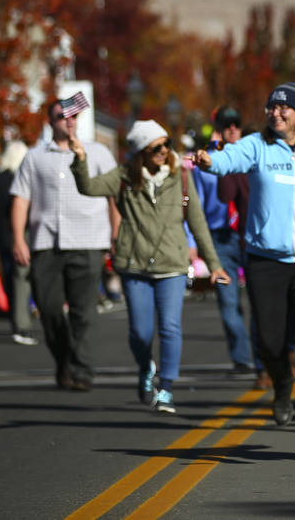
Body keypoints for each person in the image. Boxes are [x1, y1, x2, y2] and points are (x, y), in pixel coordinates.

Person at [197, 82, 295, 432]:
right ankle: (282, 386)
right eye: (272, 107)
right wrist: (209, 160)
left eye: (285, 107)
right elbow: (228, 159)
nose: (276, 113)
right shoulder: (257, 146)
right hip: (266, 257)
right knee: (269, 339)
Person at [70, 120, 228, 413]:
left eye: (166, 144)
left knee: (170, 326)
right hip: (135, 264)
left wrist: (214, 264)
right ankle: (146, 367)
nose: (163, 151)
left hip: (172, 264)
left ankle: (166, 387)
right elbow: (88, 187)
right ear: (141, 150)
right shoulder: (123, 177)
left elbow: (197, 221)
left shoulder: (181, 176)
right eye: (156, 147)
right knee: (140, 333)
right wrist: (80, 159)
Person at [10, 100, 119, 390]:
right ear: (51, 122)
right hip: (46, 242)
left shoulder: (98, 152)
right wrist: (19, 238)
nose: (68, 121)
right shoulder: (35, 157)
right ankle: (63, 359)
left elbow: (113, 195)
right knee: (48, 309)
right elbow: (21, 198)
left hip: (89, 240)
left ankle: (81, 370)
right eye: (62, 117)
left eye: (73, 116)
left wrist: (116, 234)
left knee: (84, 310)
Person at [193, 106, 253, 375]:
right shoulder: (205, 162)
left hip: (250, 236)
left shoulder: (254, 156)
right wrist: (193, 241)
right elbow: (196, 205)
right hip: (220, 237)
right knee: (228, 303)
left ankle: (265, 360)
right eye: (226, 124)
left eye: (236, 123)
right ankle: (242, 358)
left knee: (262, 301)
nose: (231, 128)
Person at [0, 141, 37, 345]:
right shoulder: (24, 180)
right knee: (21, 277)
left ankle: (18, 319)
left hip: (5, 239)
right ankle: (21, 322)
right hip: (23, 235)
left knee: (12, 278)